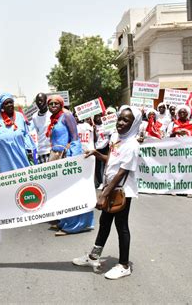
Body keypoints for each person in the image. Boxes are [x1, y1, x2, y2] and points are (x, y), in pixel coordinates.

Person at [73, 105, 142, 280]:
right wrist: (97, 153)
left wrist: (104, 194)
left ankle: (124, 265)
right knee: (104, 222)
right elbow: (111, 161)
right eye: (120, 118)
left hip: (121, 191)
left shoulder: (132, 145)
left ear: (134, 124)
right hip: (109, 188)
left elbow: (122, 172)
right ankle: (93, 257)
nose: (120, 123)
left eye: (126, 120)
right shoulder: (116, 137)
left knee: (122, 227)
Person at [45, 95, 93, 236]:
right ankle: (65, 221)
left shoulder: (67, 116)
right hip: (57, 157)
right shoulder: (55, 118)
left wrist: (71, 159)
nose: (53, 105)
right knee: (61, 191)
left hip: (67, 158)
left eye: (56, 103)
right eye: (50, 104)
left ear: (61, 104)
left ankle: (74, 225)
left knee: (70, 191)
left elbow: (75, 138)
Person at [0, 93, 33, 173]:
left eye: (11, 102)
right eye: (6, 103)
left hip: (20, 153)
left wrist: (29, 151)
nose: (10, 104)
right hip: (5, 155)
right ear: (2, 106)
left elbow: (26, 134)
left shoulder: (20, 116)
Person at [31, 93, 51, 164]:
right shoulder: (34, 117)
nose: (39, 103)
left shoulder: (52, 113)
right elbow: (38, 132)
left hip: (52, 150)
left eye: (41, 100)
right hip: (41, 151)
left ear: (46, 101)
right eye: (37, 101)